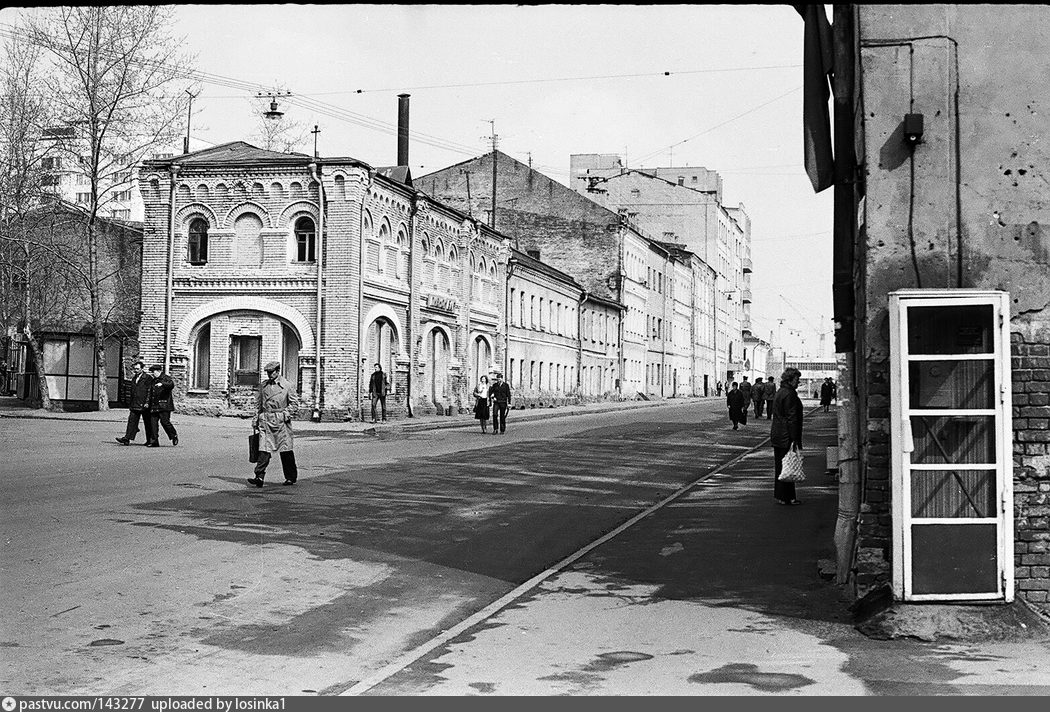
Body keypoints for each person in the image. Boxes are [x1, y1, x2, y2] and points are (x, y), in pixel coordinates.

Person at [247, 361, 300, 488]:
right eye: (268, 373)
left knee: (285, 449)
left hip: (280, 421)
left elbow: (294, 405)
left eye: (272, 372)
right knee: (263, 449)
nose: (269, 375)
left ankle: (290, 477)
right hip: (266, 420)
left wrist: (284, 415)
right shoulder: (263, 386)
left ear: (278, 371)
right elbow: (258, 405)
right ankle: (259, 476)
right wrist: (255, 419)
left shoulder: (287, 386)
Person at [770, 367, 804, 505]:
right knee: (788, 466)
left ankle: (782, 496)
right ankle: (788, 497)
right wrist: (795, 438)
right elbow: (792, 418)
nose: (798, 382)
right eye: (797, 379)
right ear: (790, 380)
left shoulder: (780, 392)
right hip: (786, 435)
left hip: (778, 433)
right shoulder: (790, 394)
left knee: (781, 466)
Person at [115, 360, 153, 446]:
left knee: (148, 423)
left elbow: (149, 391)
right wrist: (130, 403)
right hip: (135, 404)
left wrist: (147, 402)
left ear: (142, 369)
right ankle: (127, 438)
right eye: (135, 369)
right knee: (132, 421)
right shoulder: (134, 378)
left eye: (138, 369)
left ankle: (150, 440)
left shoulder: (147, 378)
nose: (136, 370)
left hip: (144, 404)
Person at [146, 364, 178, 447]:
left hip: (164, 405)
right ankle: (154, 441)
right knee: (153, 424)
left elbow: (171, 385)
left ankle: (173, 435)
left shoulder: (166, 378)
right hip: (154, 405)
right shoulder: (154, 380)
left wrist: (162, 384)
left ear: (159, 371)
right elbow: (150, 392)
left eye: (154, 372)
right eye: (152, 372)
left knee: (165, 422)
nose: (153, 374)